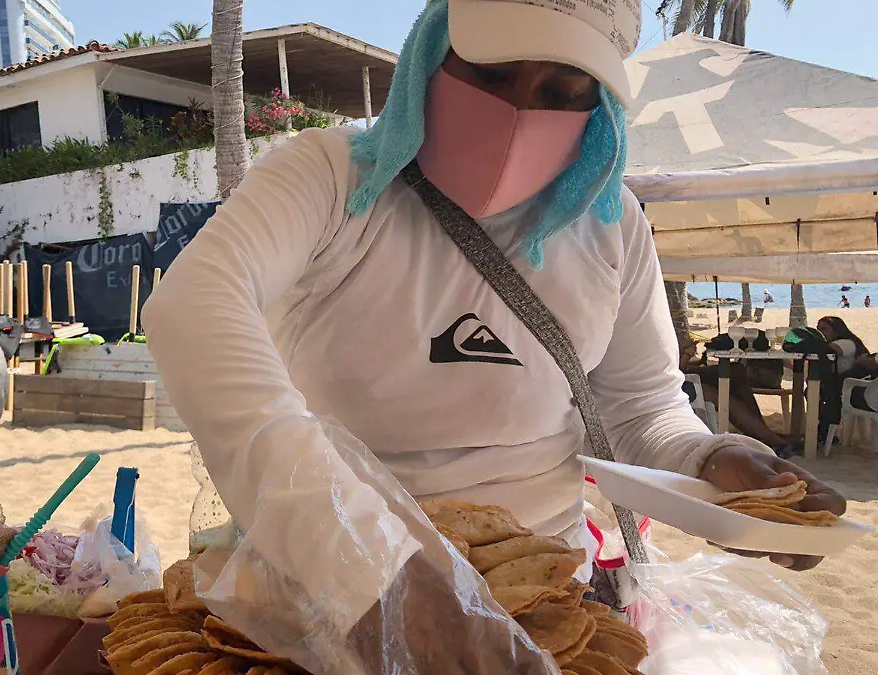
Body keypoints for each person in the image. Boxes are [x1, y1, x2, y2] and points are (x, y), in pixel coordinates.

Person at [142, 0, 846, 664]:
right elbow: (196, 303)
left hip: (546, 600)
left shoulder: (614, 227)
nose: (518, 113)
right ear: (431, 51)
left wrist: (710, 458)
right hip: (333, 596)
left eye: (563, 90)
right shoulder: (331, 178)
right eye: (491, 73)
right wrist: (366, 575)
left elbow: (639, 407)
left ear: (599, 106)